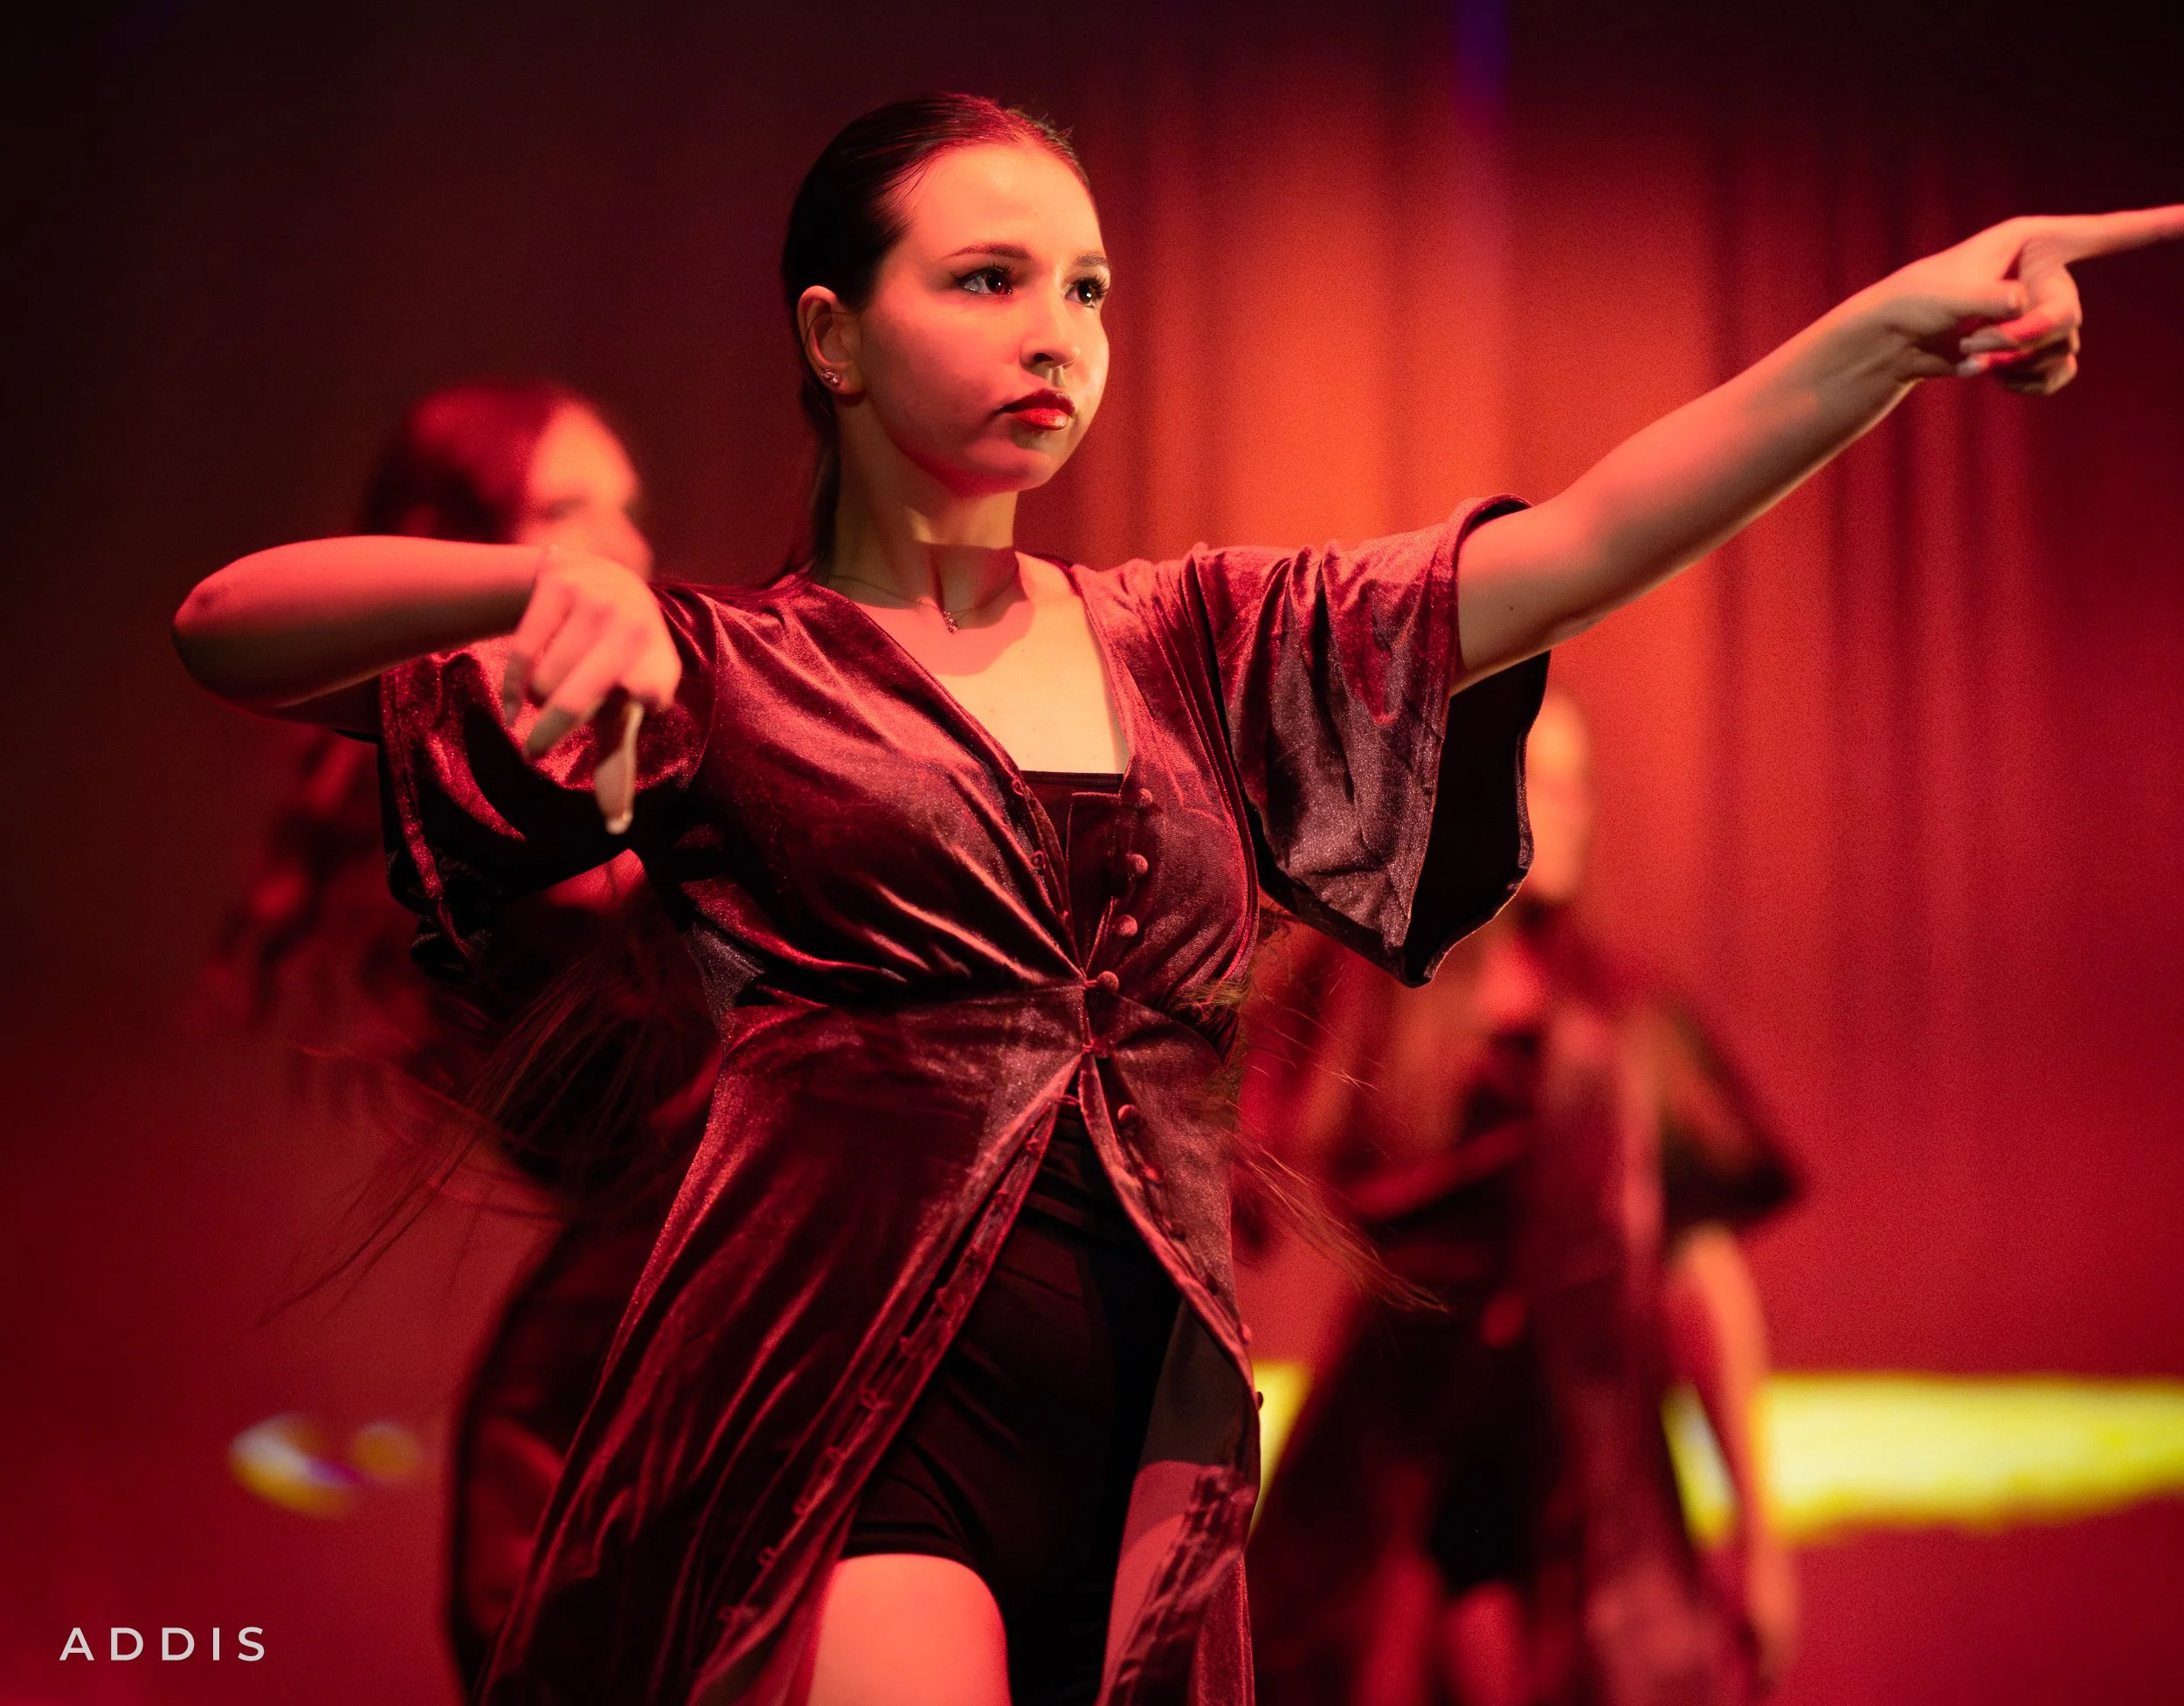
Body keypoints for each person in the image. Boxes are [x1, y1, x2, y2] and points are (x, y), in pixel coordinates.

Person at [169, 88, 2181, 1705]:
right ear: (830, 335)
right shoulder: (734, 665)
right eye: (989, 278)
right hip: (855, 1394)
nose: (1059, 331)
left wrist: (1891, 333)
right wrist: (545, 588)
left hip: (1154, 1414)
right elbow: (226, 627)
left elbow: (1580, 538)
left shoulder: (1202, 644)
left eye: (1092, 288)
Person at [206, 380, 718, 1691]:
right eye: (560, 510)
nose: (619, 546)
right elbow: (222, 621)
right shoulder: (501, 807)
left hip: (692, 1369)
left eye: (623, 509)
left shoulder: (632, 755)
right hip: (608, 1414)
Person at [1241, 687, 1800, 1706]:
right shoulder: (1361, 991)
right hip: (1388, 1471)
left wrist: (1758, 1533)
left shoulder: (1624, 1018)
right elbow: (1227, 1173)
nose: (1572, 810)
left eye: (1581, 786)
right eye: (1542, 781)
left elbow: (1698, 1277)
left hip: (1586, 1470)